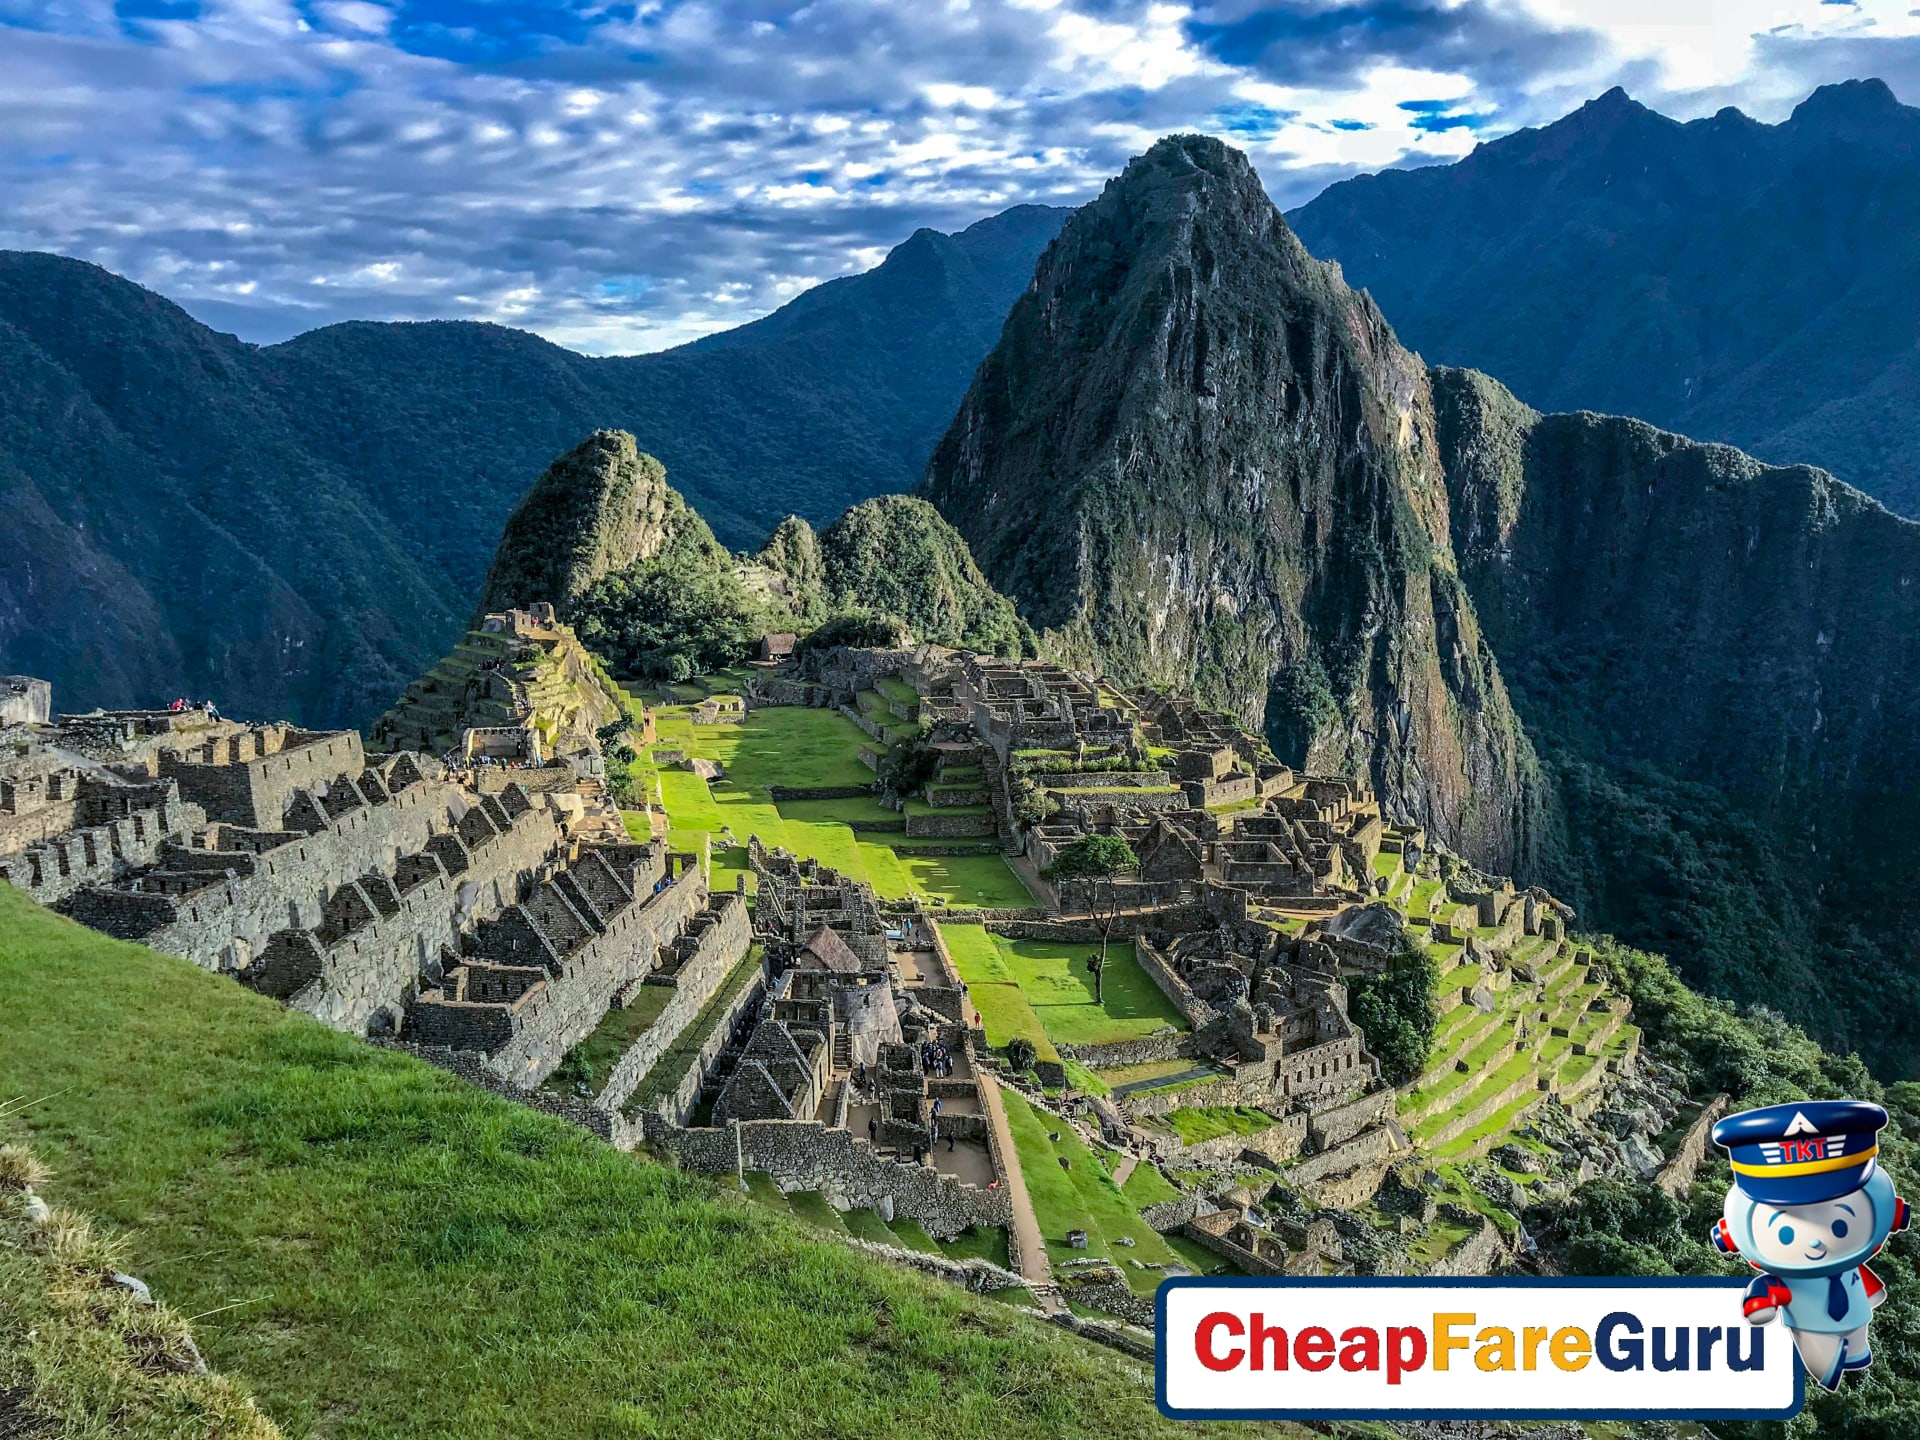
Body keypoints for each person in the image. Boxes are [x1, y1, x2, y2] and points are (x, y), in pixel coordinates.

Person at [1710, 1100, 1912, 1389]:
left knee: (1857, 1342)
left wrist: (1872, 1293)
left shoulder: (1852, 1261)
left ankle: (1856, 1353)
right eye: (1787, 1232)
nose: (1816, 1240)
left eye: (1838, 1225)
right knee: (1819, 1352)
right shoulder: (1786, 1278)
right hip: (1810, 1327)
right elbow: (1766, 1294)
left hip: (1856, 1317)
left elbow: (1862, 1282)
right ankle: (1828, 1367)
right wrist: (1761, 1304)